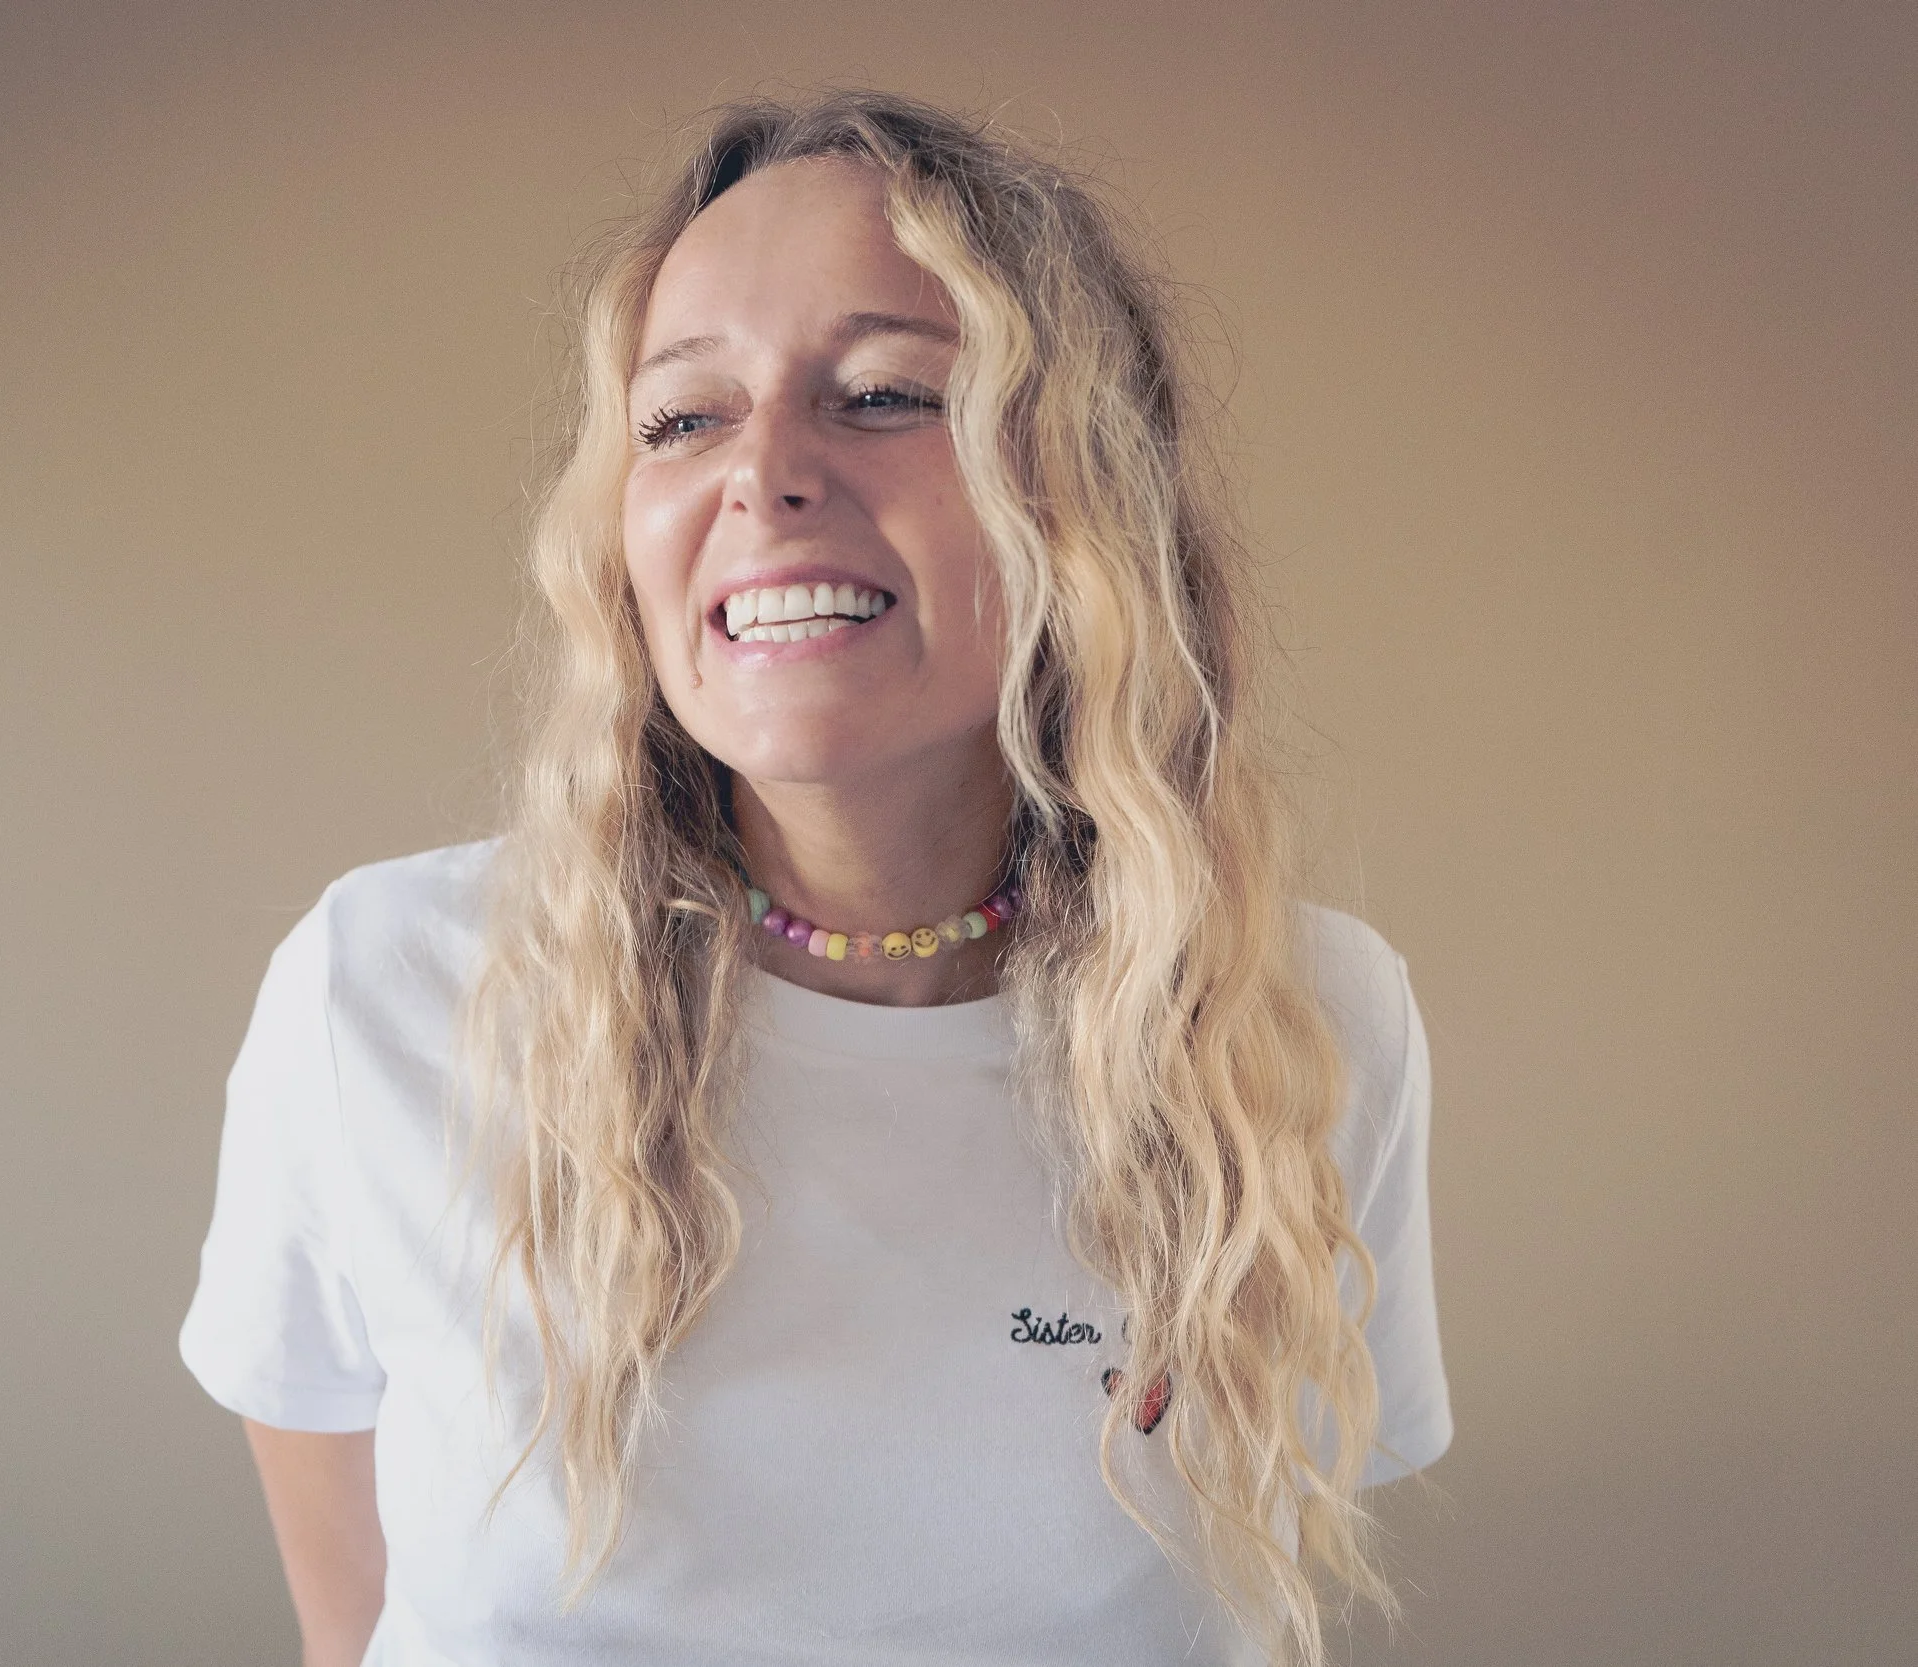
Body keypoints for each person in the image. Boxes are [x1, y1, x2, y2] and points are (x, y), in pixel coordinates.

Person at [180, 90, 1450, 1667]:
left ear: (1081, 496)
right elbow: (353, 1623)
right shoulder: (383, 989)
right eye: (682, 418)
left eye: (883, 394)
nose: (763, 474)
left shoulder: (1299, 1026)